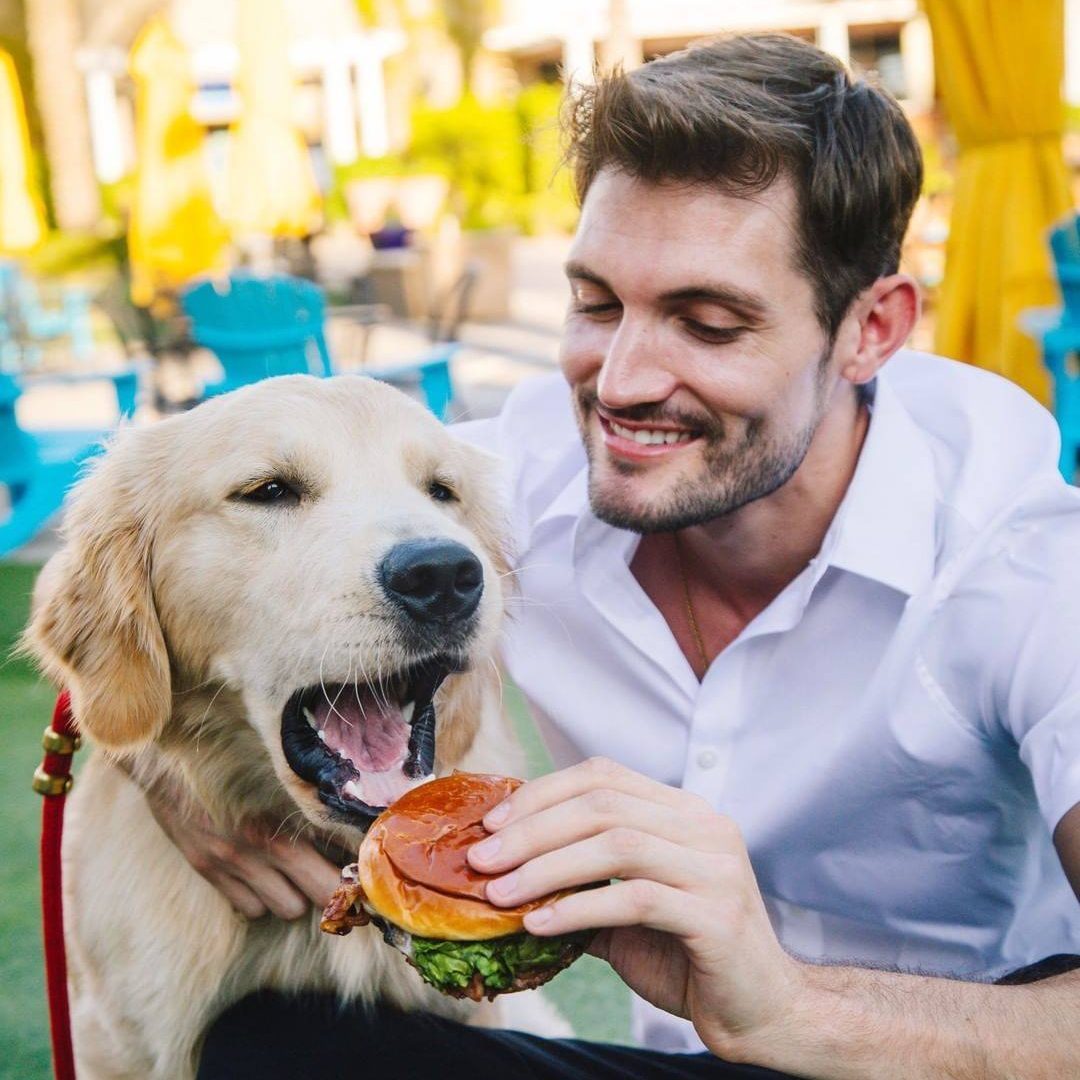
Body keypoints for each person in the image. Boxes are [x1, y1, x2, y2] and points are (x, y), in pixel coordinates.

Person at [179, 33, 1080, 1077]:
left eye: (706, 323)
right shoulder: (498, 485)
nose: (619, 382)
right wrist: (162, 779)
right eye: (597, 304)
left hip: (954, 1062)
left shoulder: (1028, 567)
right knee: (273, 1050)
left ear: (871, 329)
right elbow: (203, 549)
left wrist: (795, 1008)